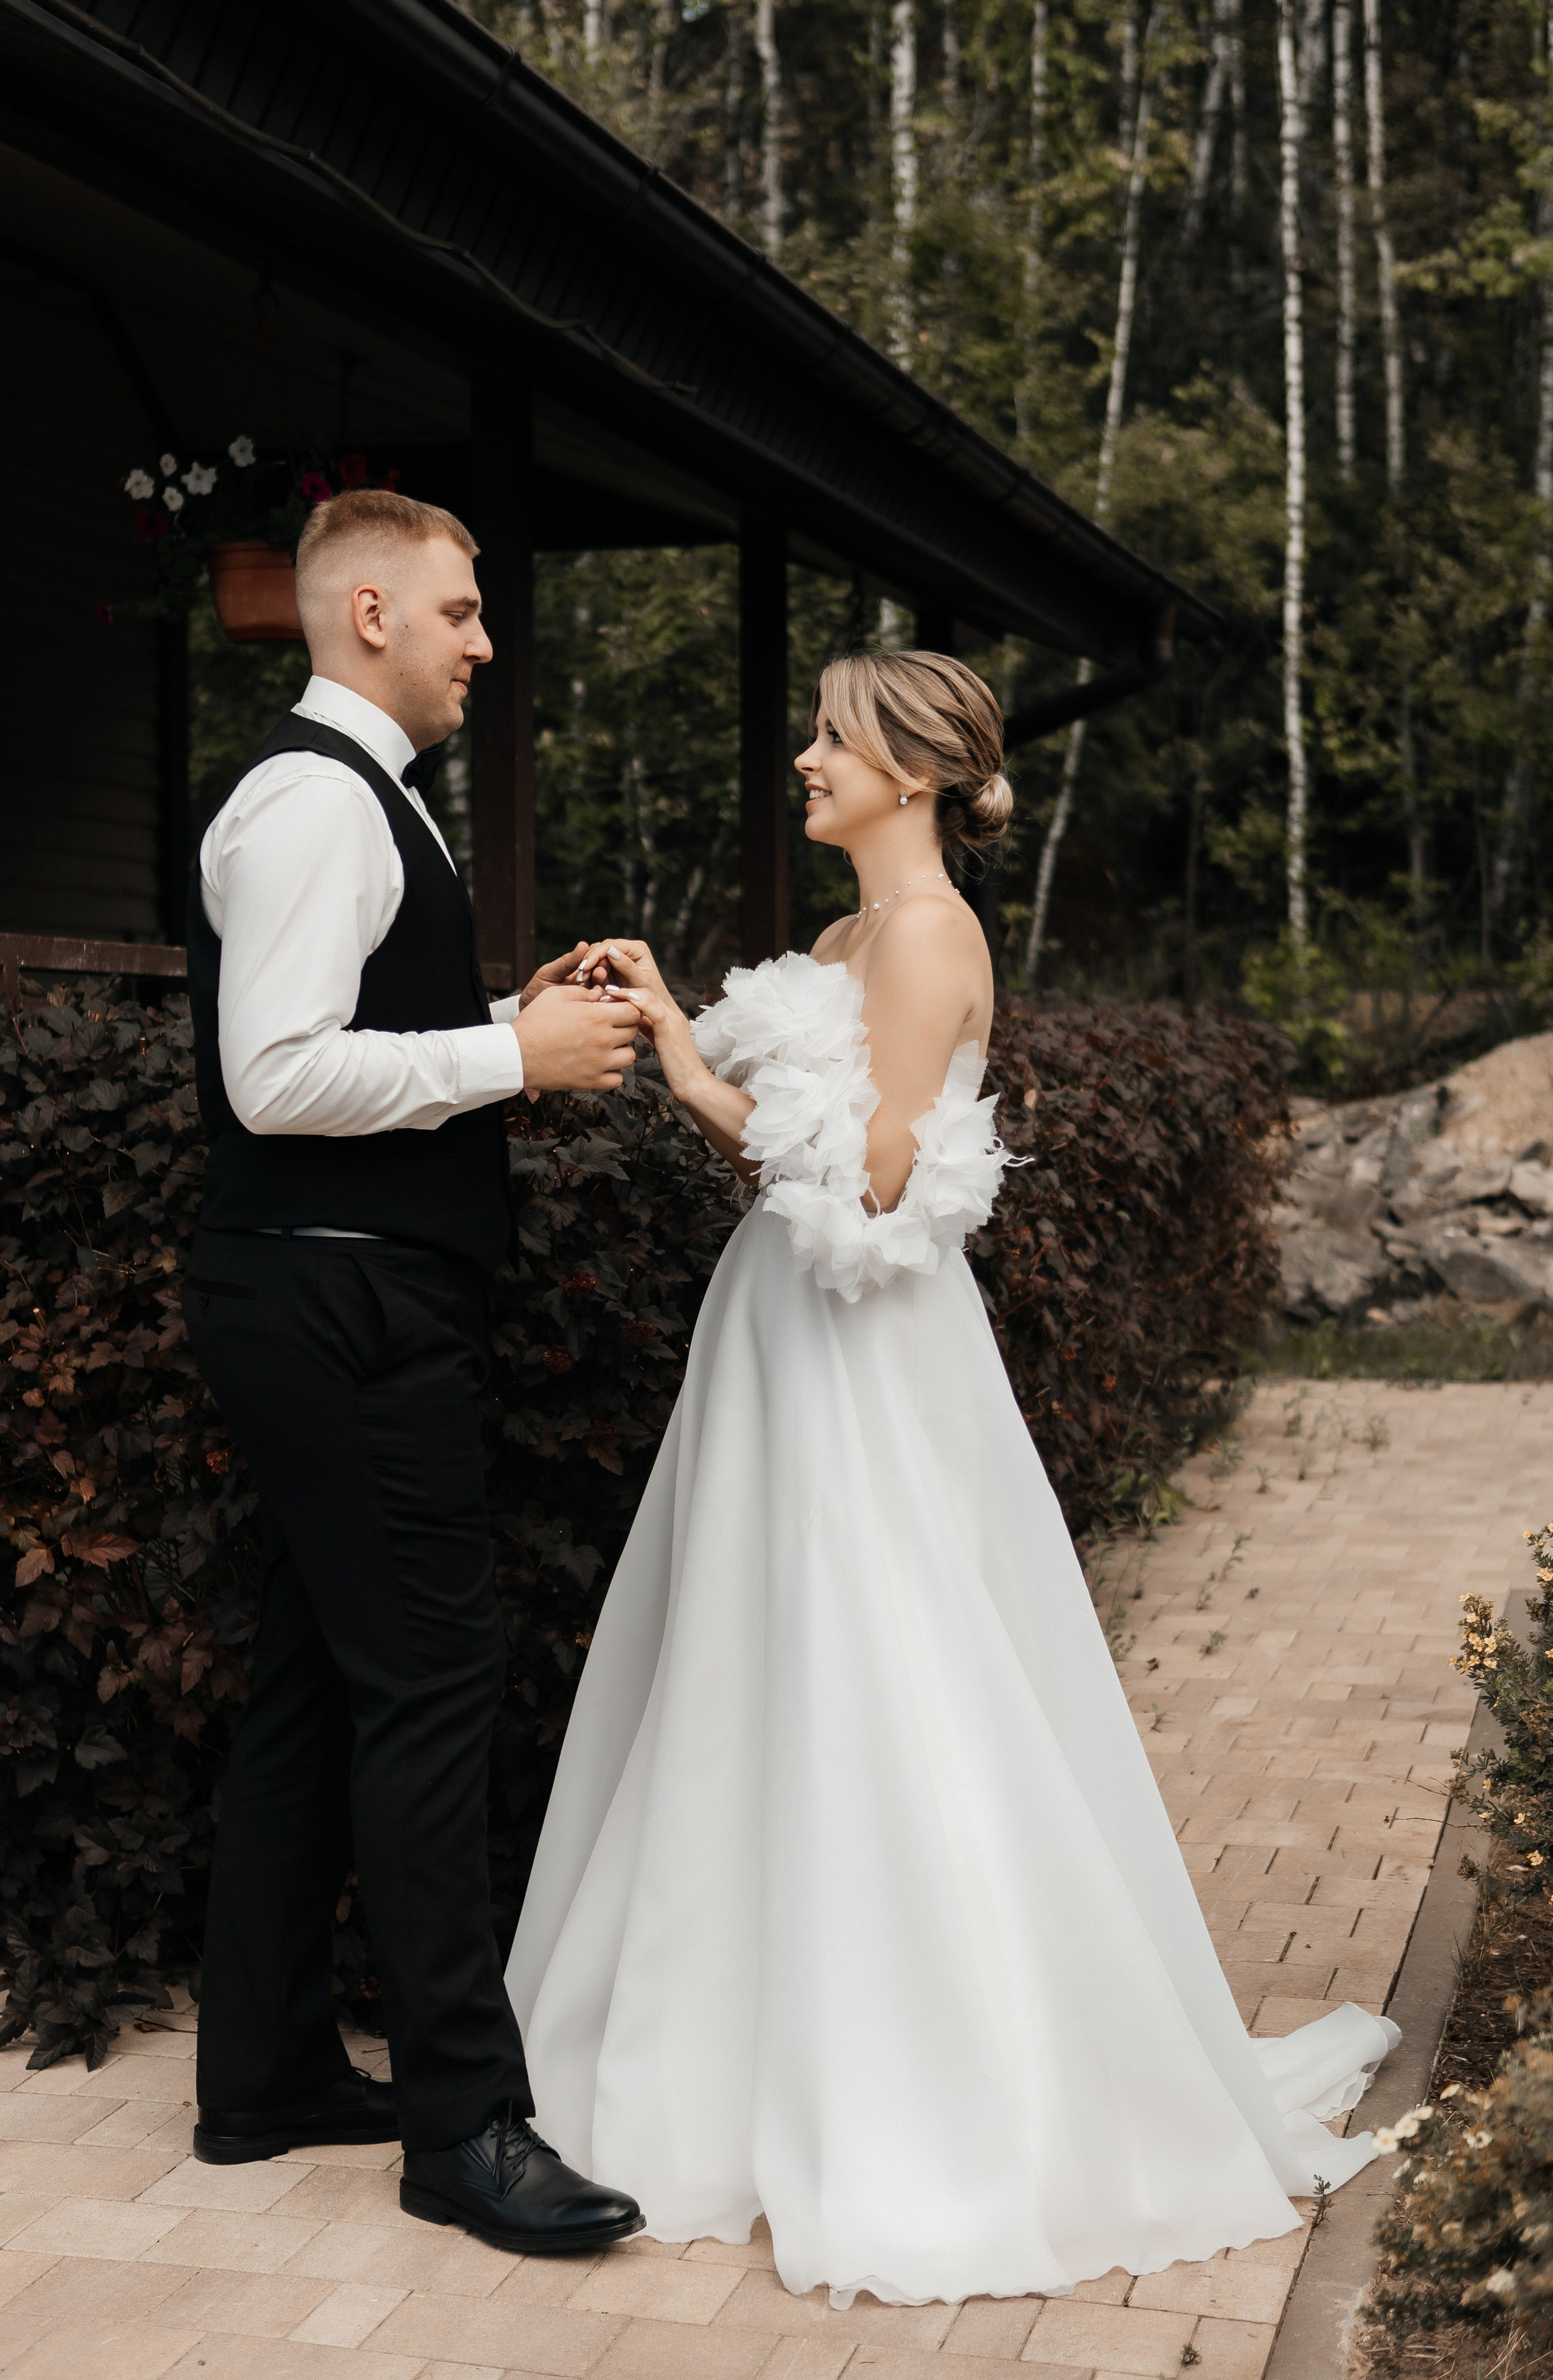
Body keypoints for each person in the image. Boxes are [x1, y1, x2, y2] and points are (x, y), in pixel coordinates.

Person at [505, 648, 1399, 2307]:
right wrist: (682, 1024)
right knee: (763, 1665)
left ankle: (935, 2083)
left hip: (862, 1350)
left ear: (911, 769)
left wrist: (696, 1072)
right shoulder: (852, 937)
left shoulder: (925, 936)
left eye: (828, 738)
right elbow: (796, 1148)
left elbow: (872, 1177)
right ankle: (749, 2044)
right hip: (778, 1335)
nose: (802, 759)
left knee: (880, 1661)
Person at [184, 486, 644, 2256]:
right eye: (457, 611)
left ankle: (268, 2074)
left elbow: (351, 1038)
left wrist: (496, 1019)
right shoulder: (317, 800)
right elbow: (276, 1078)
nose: (481, 641)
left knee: (317, 1684)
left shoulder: (358, 804)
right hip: (347, 1311)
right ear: (366, 614)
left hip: (324, 1297)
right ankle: (466, 2128)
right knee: (435, 1690)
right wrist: (510, 1058)